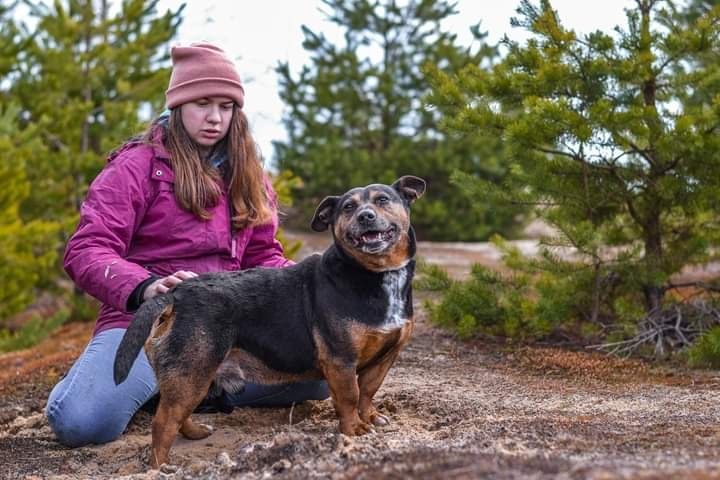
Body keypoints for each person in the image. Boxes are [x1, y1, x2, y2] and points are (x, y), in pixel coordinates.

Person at [45, 42, 329, 448]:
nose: (215, 117)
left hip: (232, 327)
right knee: (81, 423)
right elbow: (87, 248)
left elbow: (263, 255)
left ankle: (186, 387)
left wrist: (304, 285)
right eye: (202, 103)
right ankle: (110, 384)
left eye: (226, 107)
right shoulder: (135, 166)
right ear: (178, 106)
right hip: (148, 323)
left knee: (317, 380)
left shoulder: (249, 174)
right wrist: (146, 287)